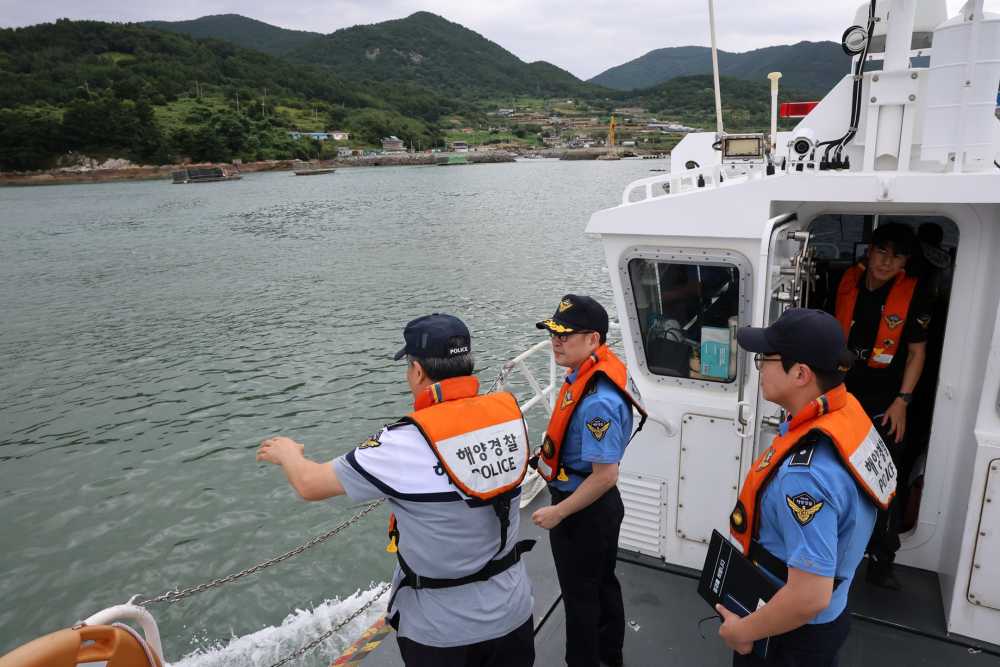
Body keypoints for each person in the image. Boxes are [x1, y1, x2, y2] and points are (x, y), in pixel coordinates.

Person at [257, 313, 536, 667]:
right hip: (512, 612)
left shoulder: (401, 445)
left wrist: (287, 454)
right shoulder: (513, 419)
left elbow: (310, 484)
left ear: (418, 371)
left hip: (441, 634)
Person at [718, 308, 897, 666]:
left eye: (765, 359)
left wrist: (743, 632)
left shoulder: (805, 474)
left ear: (800, 373)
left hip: (791, 634)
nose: (760, 368)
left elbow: (809, 597)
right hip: (833, 613)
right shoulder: (847, 413)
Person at [530, 294, 646, 667]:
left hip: (586, 511)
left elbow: (606, 476)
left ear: (594, 340)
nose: (556, 341)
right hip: (590, 507)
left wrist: (558, 513)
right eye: (553, 333)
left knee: (581, 599)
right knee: (601, 585)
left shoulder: (598, 400)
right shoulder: (585, 375)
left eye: (566, 335)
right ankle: (610, 657)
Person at [832, 222, 932, 589]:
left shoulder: (915, 295)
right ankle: (835, 548)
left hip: (887, 403)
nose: (887, 263)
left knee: (885, 477)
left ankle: (881, 558)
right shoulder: (845, 284)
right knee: (837, 472)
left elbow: (917, 353)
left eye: (897, 256)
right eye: (882, 252)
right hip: (844, 396)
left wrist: (902, 401)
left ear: (905, 263)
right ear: (869, 251)